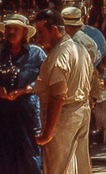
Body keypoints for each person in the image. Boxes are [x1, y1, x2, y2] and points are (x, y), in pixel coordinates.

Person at [0, 14, 47, 174]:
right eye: (9, 28)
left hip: (27, 113)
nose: (11, 32)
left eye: (16, 29)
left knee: (30, 156)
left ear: (24, 32)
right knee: (5, 158)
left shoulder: (36, 54)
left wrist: (24, 90)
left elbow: (46, 81)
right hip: (2, 114)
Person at [33, 9, 93, 174]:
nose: (38, 38)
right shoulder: (79, 49)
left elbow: (58, 96)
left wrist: (48, 133)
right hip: (81, 110)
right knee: (79, 166)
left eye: (40, 32)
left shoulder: (61, 54)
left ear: (53, 30)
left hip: (65, 116)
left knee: (58, 169)